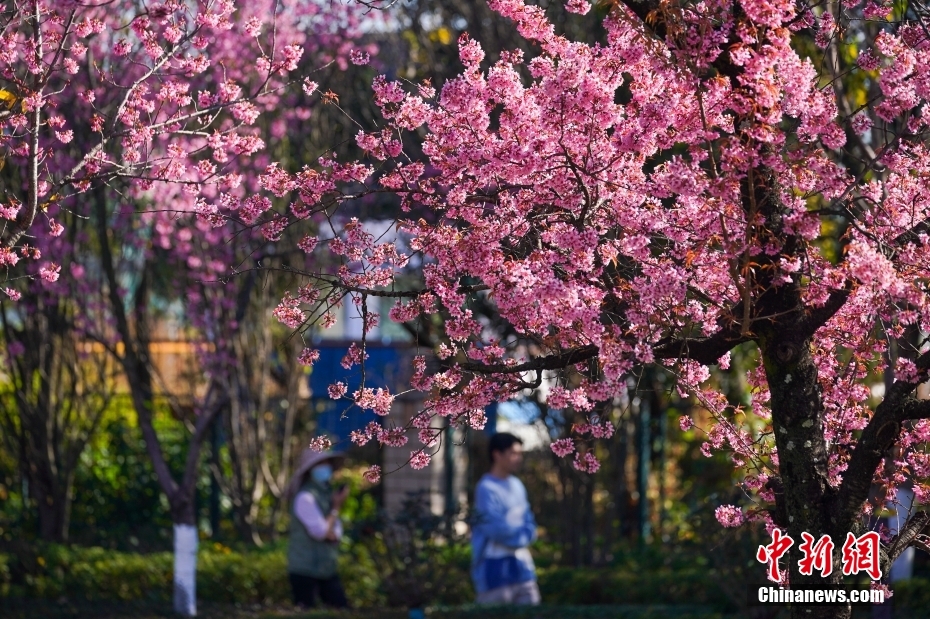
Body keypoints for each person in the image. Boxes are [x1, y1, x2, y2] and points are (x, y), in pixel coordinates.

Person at [471, 432, 541, 605]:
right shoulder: (486, 488)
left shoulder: (518, 485)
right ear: (497, 454)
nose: (518, 458)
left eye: (520, 454)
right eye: (513, 453)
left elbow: (529, 521)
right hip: (494, 571)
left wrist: (526, 533)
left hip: (523, 569)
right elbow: (496, 529)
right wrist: (523, 536)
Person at [284, 448, 351, 609]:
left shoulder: (326, 495)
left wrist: (332, 522)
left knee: (341, 609)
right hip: (305, 569)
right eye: (321, 464)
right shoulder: (305, 497)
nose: (326, 467)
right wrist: (335, 508)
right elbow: (321, 532)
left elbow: (335, 532)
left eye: (327, 463)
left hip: (326, 567)